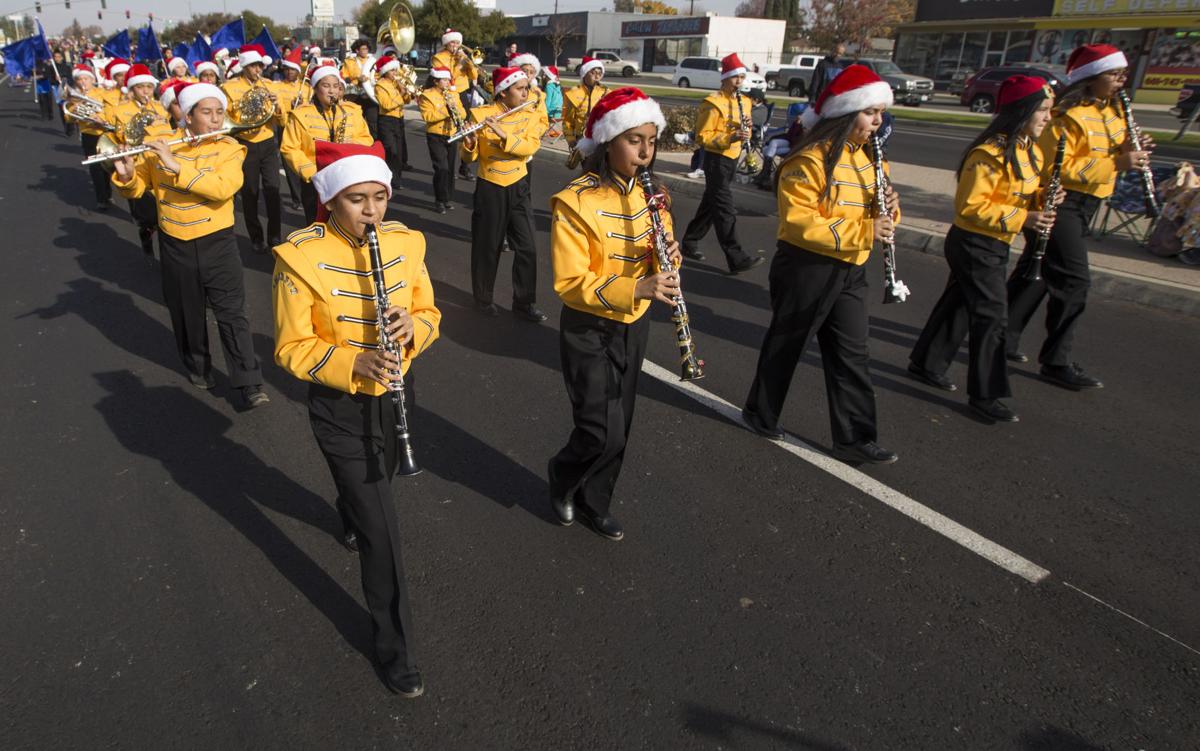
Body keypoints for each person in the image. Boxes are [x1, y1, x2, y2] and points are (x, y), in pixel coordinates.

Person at [272, 139, 440, 698]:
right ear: (330, 200)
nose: (371, 211)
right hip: (340, 407)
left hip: (397, 393)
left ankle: (349, 507)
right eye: (355, 200)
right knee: (382, 531)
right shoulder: (299, 256)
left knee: (373, 493)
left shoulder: (406, 242)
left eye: (379, 197)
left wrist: (415, 328)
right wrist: (354, 361)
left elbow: (427, 309)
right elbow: (292, 348)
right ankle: (396, 648)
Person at [741, 65, 900, 464]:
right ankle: (760, 412)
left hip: (851, 268)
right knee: (788, 344)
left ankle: (855, 437)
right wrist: (867, 229)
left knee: (852, 353)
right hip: (807, 267)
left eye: (880, 113)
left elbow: (878, 213)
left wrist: (891, 213)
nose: (877, 121)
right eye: (869, 112)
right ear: (845, 113)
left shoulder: (870, 160)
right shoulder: (808, 161)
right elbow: (800, 223)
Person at [547, 87, 678, 541]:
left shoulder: (654, 195)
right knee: (601, 430)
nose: (645, 152)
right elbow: (568, 282)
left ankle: (595, 500)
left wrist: (668, 261)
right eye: (633, 140)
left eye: (651, 140)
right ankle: (563, 477)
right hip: (589, 326)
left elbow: (661, 261)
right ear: (608, 142)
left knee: (622, 422)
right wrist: (635, 286)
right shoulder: (575, 201)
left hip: (634, 322)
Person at [909, 76, 1062, 423]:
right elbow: (971, 207)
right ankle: (986, 394)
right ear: (1021, 111)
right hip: (974, 243)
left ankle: (926, 362)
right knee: (993, 316)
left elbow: (1018, 194)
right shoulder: (988, 153)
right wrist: (1025, 216)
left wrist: (1042, 201)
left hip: (995, 241)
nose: (1048, 118)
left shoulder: (1031, 150)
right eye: (1042, 111)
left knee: (960, 303)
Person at [1005, 44, 1153, 390]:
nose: (1121, 81)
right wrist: (1117, 163)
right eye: (1114, 75)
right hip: (1060, 201)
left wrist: (1133, 149)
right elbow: (1058, 167)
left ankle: (1002, 335)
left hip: (1089, 202)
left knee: (1037, 271)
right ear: (1091, 78)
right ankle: (1056, 362)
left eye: (1122, 75)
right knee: (1074, 280)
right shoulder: (1065, 115)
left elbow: (1109, 149)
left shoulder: (1114, 111)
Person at [112, 82, 269, 407]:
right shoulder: (160, 145)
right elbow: (138, 188)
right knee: (186, 312)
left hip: (218, 242)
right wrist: (128, 176)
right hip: (175, 242)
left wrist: (177, 166)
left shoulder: (229, 147)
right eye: (206, 112)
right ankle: (198, 366)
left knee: (232, 313)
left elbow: (223, 188)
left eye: (219, 112)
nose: (215, 119)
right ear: (186, 114)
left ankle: (249, 381)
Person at [460, 66, 545, 322]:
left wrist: (503, 133)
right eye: (520, 89)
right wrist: (471, 141)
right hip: (491, 185)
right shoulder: (479, 114)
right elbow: (469, 158)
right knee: (488, 247)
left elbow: (530, 146)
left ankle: (524, 302)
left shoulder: (529, 114)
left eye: (525, 88)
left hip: (518, 184)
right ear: (503, 92)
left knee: (528, 247)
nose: (525, 93)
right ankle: (483, 299)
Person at [679, 53, 764, 273]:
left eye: (742, 77)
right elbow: (702, 136)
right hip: (717, 160)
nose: (739, 81)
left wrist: (747, 128)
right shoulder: (712, 103)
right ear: (725, 78)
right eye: (735, 77)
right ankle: (736, 257)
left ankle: (689, 241)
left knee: (711, 202)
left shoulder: (744, 101)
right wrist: (730, 137)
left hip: (733, 158)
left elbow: (745, 128)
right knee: (725, 209)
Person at [280, 60, 373, 222]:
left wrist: (349, 146)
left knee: (348, 223)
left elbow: (366, 138)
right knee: (317, 224)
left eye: (336, 86)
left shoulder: (351, 111)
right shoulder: (300, 115)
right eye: (326, 86)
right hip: (315, 181)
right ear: (315, 88)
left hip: (346, 176)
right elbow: (289, 148)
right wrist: (312, 173)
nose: (332, 92)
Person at [222, 44, 284, 253]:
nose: (258, 70)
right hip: (245, 143)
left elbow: (281, 120)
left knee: (273, 191)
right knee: (250, 192)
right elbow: (226, 118)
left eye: (260, 66)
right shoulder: (229, 88)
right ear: (245, 66)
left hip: (267, 142)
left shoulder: (269, 86)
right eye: (254, 66)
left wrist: (277, 105)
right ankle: (256, 237)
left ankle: (275, 236)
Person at [107, 63, 175, 256]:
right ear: (132, 88)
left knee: (164, 207)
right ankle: (146, 231)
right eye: (140, 87)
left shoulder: (161, 108)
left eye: (149, 86)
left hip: (159, 159)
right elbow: (122, 136)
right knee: (146, 212)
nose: (146, 91)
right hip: (138, 163)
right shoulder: (121, 110)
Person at [62, 64, 114, 211]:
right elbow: (69, 117)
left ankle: (108, 192)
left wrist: (100, 117)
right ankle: (101, 198)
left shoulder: (102, 92)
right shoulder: (75, 98)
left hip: (105, 133)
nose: (83, 82)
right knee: (95, 167)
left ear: (92, 79)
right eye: (79, 79)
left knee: (108, 165)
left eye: (86, 78)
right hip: (89, 135)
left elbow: (110, 109)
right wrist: (77, 107)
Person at [431, 29, 479, 182]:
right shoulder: (438, 58)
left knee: (467, 129)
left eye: (458, 42)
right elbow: (447, 78)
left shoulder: (463, 57)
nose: (456, 45)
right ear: (446, 43)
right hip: (447, 94)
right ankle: (446, 166)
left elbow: (474, 76)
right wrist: (459, 66)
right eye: (453, 42)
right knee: (451, 129)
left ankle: (465, 166)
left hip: (463, 94)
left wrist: (469, 63)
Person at [417, 66, 466, 213]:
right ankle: (439, 199)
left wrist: (457, 111)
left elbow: (463, 112)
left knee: (450, 168)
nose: (447, 82)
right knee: (441, 168)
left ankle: (447, 198)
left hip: (451, 133)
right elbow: (427, 116)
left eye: (447, 79)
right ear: (436, 80)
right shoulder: (427, 95)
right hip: (435, 135)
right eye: (444, 79)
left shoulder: (453, 94)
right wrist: (446, 110)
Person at [276, 45, 312, 211]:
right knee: (290, 165)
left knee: (305, 162)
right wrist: (289, 109)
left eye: (292, 70)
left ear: (298, 71)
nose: (289, 72)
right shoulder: (277, 87)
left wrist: (304, 105)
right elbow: (277, 110)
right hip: (286, 128)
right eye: (287, 70)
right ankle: (297, 198)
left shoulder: (306, 87)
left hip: (305, 130)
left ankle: (307, 195)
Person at [373, 54, 414, 189]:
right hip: (386, 120)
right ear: (385, 72)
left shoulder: (397, 84)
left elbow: (407, 101)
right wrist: (401, 94)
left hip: (399, 119)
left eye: (396, 70)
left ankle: (396, 180)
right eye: (392, 71)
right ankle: (386, 178)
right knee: (391, 151)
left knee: (399, 152)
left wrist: (408, 92)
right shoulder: (380, 85)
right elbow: (386, 105)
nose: (395, 73)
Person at [562, 56, 607, 158]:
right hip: (582, 141)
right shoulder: (572, 94)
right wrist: (571, 140)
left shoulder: (607, 92)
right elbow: (567, 120)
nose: (597, 76)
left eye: (599, 73)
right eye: (593, 72)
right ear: (584, 73)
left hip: (602, 141)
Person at [340, 38, 378, 138]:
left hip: (370, 96)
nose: (366, 51)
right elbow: (344, 77)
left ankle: (374, 144)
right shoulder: (349, 62)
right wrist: (357, 79)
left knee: (373, 123)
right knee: (357, 122)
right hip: (356, 97)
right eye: (363, 49)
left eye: (367, 49)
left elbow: (378, 76)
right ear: (357, 50)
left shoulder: (373, 61)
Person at [542, 65, 563, 136]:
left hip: (551, 112)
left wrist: (543, 111)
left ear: (549, 76)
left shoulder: (549, 86)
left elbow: (547, 101)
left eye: (545, 75)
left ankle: (543, 130)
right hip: (559, 112)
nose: (543, 77)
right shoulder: (558, 85)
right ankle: (553, 130)